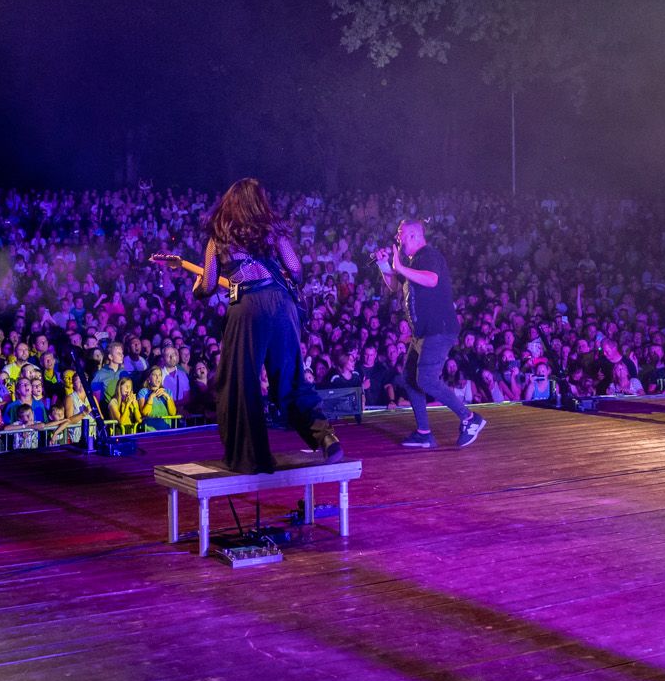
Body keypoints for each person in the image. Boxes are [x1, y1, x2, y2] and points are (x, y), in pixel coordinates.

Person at [156, 178, 338, 473]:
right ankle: (325, 436)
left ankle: (251, 456)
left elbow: (209, 284)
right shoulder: (273, 230)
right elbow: (295, 269)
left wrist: (196, 287)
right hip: (282, 305)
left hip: (248, 307)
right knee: (291, 377)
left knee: (240, 382)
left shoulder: (220, 235)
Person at [377, 218, 484, 449]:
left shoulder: (428, 255)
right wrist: (384, 265)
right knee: (409, 378)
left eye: (400, 234)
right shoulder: (412, 262)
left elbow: (432, 280)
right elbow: (394, 286)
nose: (397, 238)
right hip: (423, 333)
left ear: (413, 235)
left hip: (438, 330)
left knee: (426, 379)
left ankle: (469, 418)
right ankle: (424, 433)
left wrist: (399, 267)